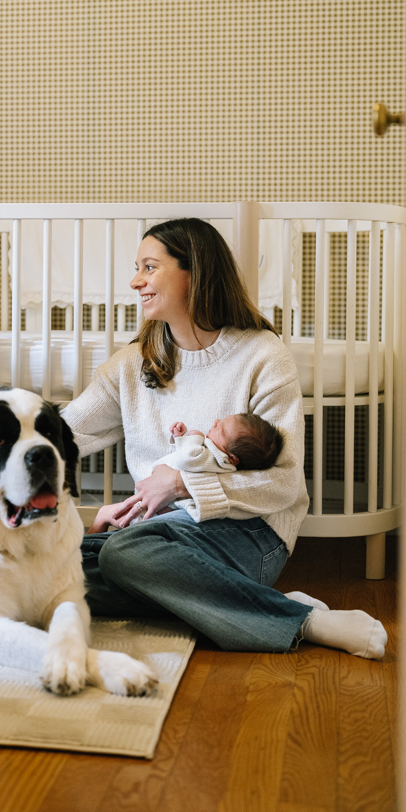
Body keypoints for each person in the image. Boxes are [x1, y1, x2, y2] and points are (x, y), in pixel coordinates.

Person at [63, 218, 387, 660]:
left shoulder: (262, 355)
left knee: (120, 556)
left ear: (193, 273)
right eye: (137, 268)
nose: (136, 281)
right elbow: (63, 434)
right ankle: (234, 603)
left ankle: (305, 621)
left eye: (150, 267)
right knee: (55, 562)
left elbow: (283, 485)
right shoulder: (133, 363)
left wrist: (180, 486)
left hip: (248, 535)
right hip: (155, 537)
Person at [96, 412, 284, 528]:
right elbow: (181, 460)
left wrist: (194, 436)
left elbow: (186, 460)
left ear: (233, 458)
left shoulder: (216, 459)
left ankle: (89, 545)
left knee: (106, 516)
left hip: (156, 509)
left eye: (221, 429)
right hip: (155, 499)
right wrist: (179, 438)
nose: (216, 421)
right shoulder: (213, 457)